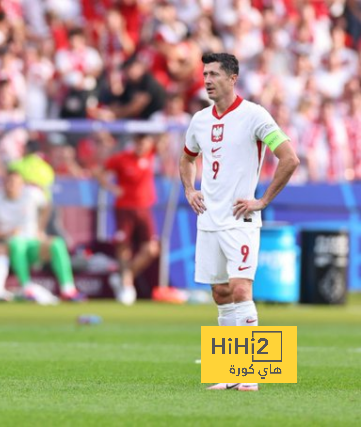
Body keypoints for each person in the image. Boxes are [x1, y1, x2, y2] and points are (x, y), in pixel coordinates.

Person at [179, 53, 299, 392]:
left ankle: (250, 374)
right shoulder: (199, 120)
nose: (207, 80)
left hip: (240, 219)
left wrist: (262, 200)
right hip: (208, 221)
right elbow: (187, 158)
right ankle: (229, 371)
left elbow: (290, 158)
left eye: (215, 73)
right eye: (205, 74)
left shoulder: (254, 115)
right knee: (219, 292)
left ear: (233, 78)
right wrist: (190, 189)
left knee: (241, 288)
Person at [0, 169, 85, 304]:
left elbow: (47, 206)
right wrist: (7, 233)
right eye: (8, 182)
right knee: (16, 243)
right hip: (10, 247)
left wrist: (40, 229)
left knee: (56, 243)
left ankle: (68, 289)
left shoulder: (32, 194)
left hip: (33, 244)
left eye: (14, 182)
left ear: (22, 184)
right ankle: (26, 288)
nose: (11, 185)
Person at [96, 133, 160, 305]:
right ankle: (127, 285)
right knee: (124, 247)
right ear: (134, 143)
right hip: (124, 208)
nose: (142, 146)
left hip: (145, 208)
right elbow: (100, 173)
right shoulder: (121, 159)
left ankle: (124, 276)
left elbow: (165, 138)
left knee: (151, 249)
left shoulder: (151, 154)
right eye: (139, 143)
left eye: (145, 142)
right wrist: (112, 188)